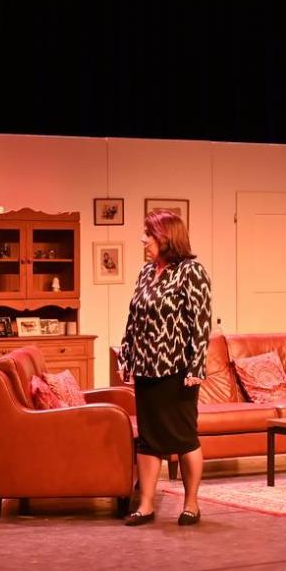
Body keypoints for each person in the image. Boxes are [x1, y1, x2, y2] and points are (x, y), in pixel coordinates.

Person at [118, 210, 212, 526]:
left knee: (184, 438)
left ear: (166, 237)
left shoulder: (191, 272)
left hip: (178, 371)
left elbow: (201, 323)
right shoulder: (146, 272)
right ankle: (145, 505)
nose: (143, 240)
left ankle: (191, 504)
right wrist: (126, 357)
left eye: (149, 234)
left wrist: (196, 367)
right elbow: (133, 319)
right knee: (149, 440)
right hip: (146, 368)